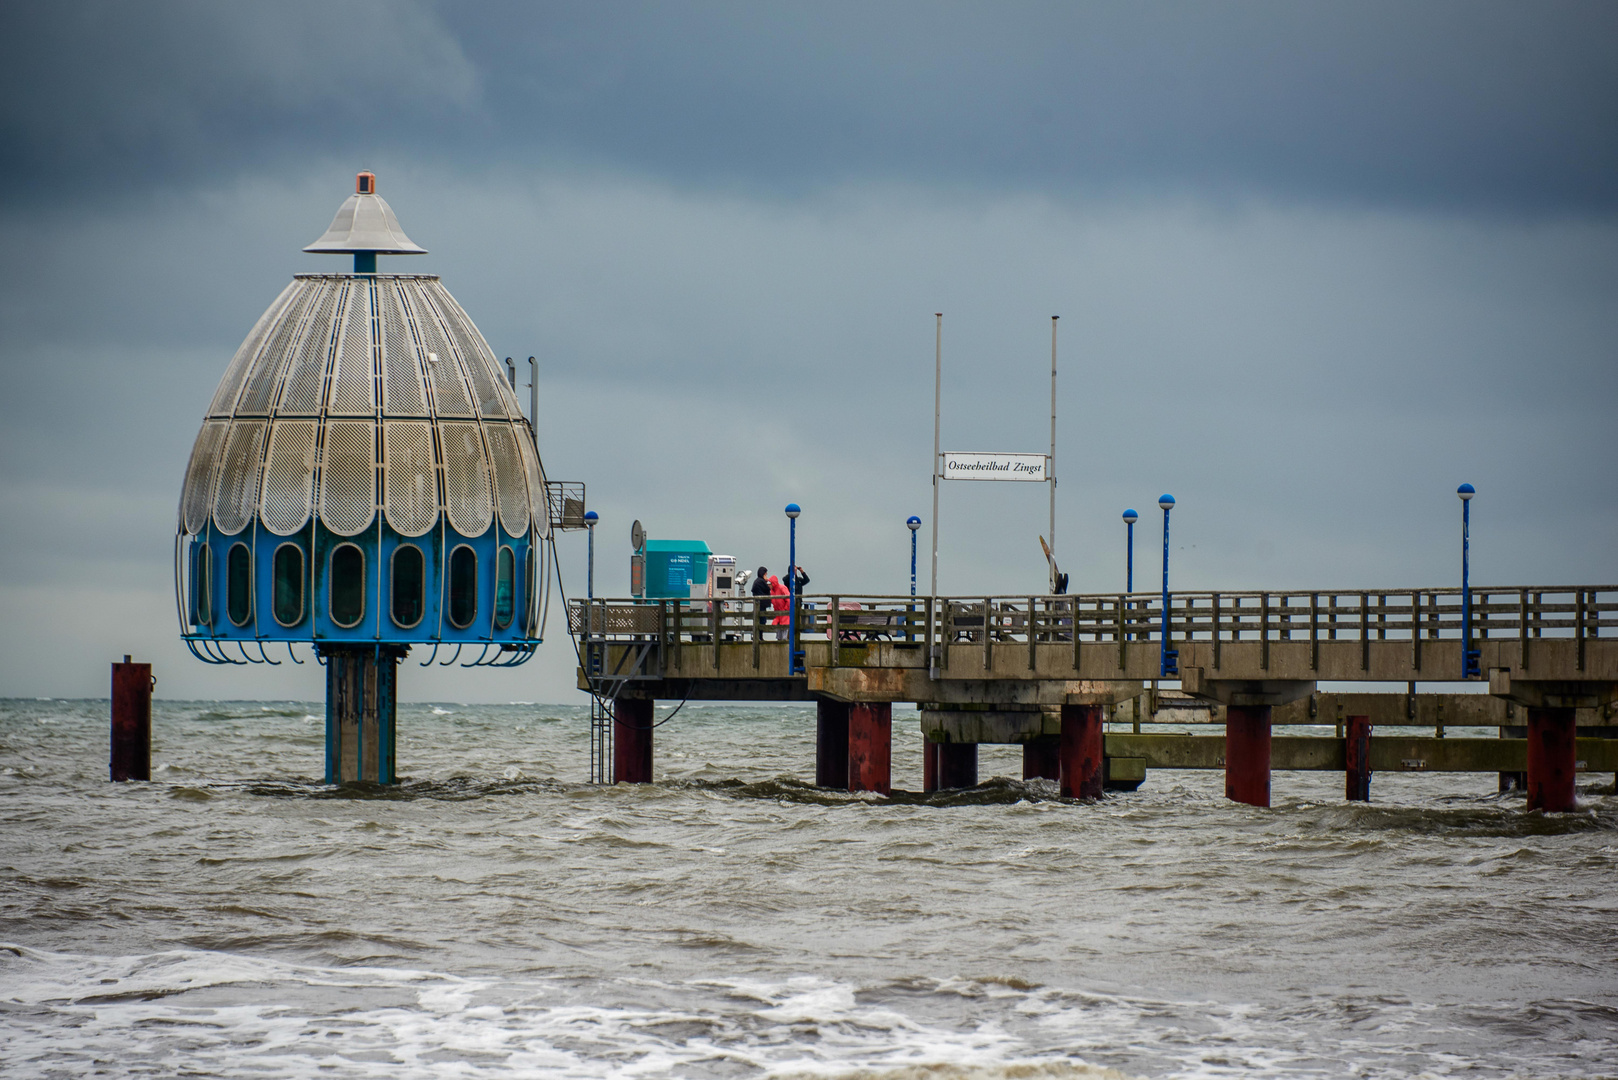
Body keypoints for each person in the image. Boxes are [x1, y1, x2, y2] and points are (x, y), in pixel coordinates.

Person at [769, 572, 790, 638]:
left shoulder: (782, 588)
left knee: (784, 629)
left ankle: (784, 644)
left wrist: (785, 609)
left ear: (773, 583)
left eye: (770, 584)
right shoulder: (772, 591)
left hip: (784, 612)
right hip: (778, 613)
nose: (768, 585)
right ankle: (779, 643)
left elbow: (789, 599)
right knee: (778, 632)